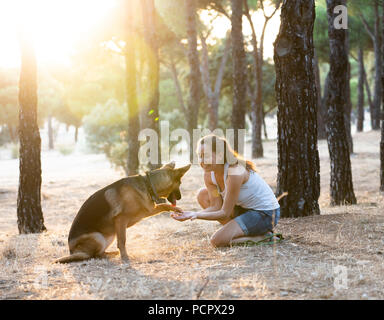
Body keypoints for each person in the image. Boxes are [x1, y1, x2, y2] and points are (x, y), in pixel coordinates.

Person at [171, 134, 281, 247]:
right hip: (244, 209)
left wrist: (196, 215)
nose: (202, 160)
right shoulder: (208, 174)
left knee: (216, 241)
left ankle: (264, 237)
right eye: (200, 156)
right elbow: (215, 206)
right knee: (203, 195)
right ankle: (237, 231)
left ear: (219, 155)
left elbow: (224, 213)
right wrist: (191, 213)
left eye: (206, 156)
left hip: (265, 214)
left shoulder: (234, 171)